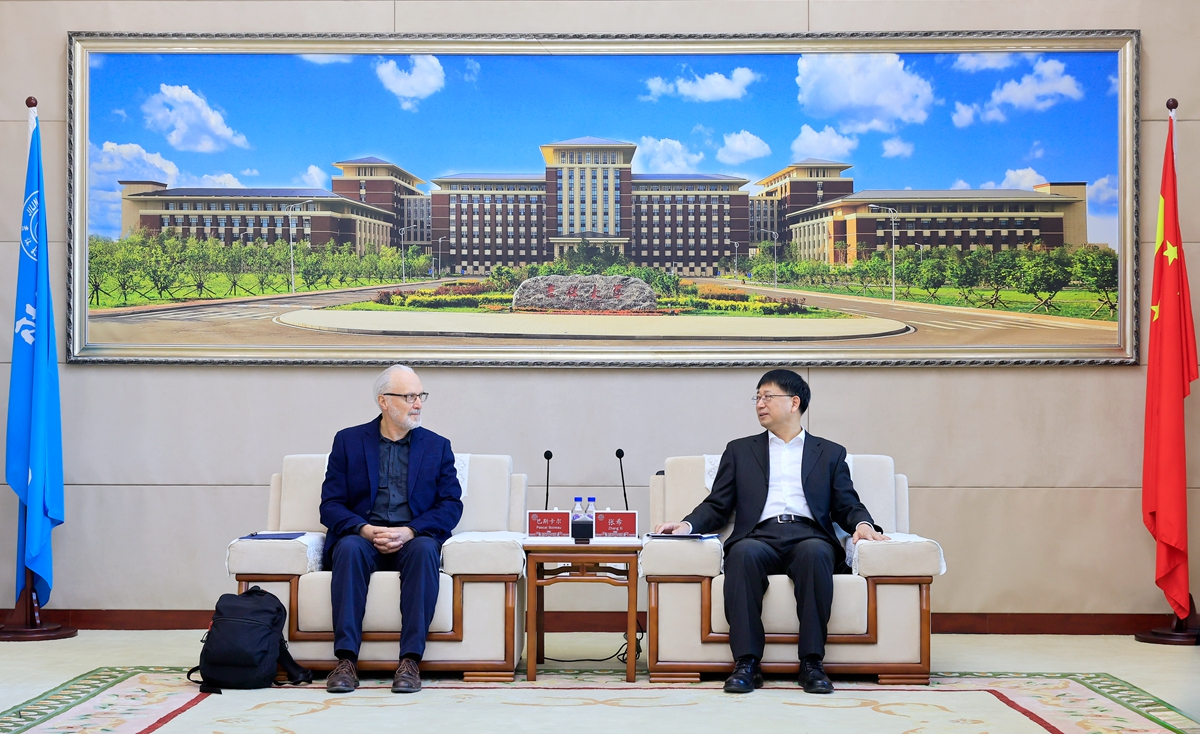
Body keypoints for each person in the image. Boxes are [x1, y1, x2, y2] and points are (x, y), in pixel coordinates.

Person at [655, 369, 887, 695]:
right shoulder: (740, 450)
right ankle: (746, 663)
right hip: (758, 536)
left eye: (768, 396)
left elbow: (846, 503)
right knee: (741, 554)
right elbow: (718, 505)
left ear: (794, 402)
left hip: (808, 535)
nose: (759, 404)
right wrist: (687, 525)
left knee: (816, 554)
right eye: (757, 397)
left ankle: (812, 663)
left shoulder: (830, 453)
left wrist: (863, 525)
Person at [319, 365, 463, 694]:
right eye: (410, 397)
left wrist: (411, 531)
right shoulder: (348, 441)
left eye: (421, 396)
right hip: (364, 537)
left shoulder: (437, 446)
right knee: (348, 548)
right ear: (384, 401)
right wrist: (365, 530)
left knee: (425, 550)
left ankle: (410, 661)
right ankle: (346, 661)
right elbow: (330, 505)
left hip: (413, 538)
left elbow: (451, 505)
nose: (418, 404)